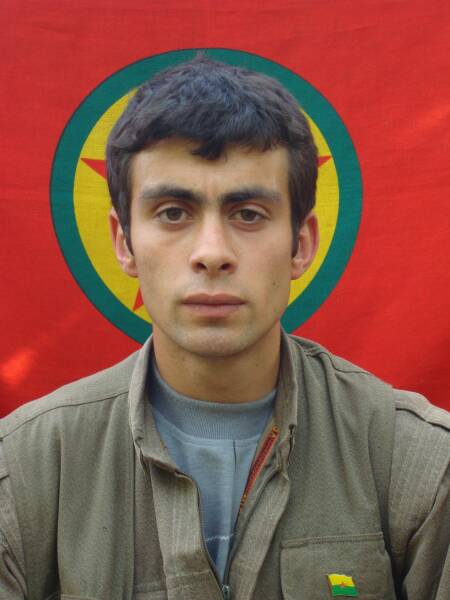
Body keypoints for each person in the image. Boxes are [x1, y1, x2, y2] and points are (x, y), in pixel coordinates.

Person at [0, 55, 449, 600]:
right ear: (124, 243)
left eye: (248, 214)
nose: (212, 252)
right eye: (173, 212)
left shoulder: (415, 461)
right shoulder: (25, 469)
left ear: (301, 244)